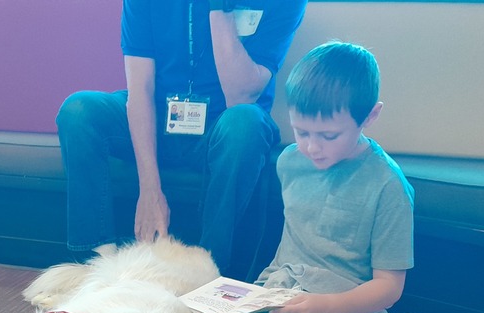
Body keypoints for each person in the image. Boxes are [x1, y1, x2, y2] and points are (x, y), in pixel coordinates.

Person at [194, 41, 426, 313]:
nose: (312, 147)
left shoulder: (388, 187)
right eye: (301, 131)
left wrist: (323, 307)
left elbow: (389, 287)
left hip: (342, 307)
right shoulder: (290, 162)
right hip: (281, 296)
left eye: (329, 136)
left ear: (370, 116)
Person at [56, 0, 308, 276]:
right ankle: (94, 264)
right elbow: (140, 90)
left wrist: (219, 8)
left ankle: (210, 273)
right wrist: (150, 189)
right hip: (159, 118)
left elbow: (240, 95)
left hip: (223, 128)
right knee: (79, 111)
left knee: (247, 122)